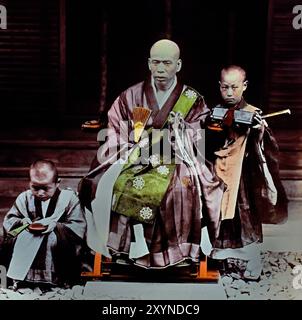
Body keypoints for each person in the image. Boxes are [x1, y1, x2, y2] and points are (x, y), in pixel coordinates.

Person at [79, 39, 224, 269]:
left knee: (180, 189)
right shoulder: (131, 96)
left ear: (178, 65)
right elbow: (115, 128)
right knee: (115, 184)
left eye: (167, 63)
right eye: (156, 62)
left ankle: (176, 255)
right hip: (135, 155)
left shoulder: (191, 99)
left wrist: (182, 130)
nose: (160, 69)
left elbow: (200, 130)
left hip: (177, 157)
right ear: (148, 63)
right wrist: (133, 148)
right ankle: (124, 252)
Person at [206, 65, 288, 280]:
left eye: (234, 87)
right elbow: (206, 141)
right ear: (219, 86)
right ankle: (218, 258)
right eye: (225, 88)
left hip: (242, 175)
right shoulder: (215, 112)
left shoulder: (252, 113)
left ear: (244, 86)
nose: (230, 93)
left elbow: (266, 150)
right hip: (217, 172)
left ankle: (251, 260)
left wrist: (259, 133)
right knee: (216, 215)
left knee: (243, 218)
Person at [1, 159, 87, 289]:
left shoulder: (69, 199)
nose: (40, 193)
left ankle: (56, 281)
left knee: (51, 238)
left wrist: (57, 226)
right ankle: (23, 281)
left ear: (57, 183)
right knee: (22, 237)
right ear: (29, 183)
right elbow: (10, 222)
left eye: (46, 188)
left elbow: (78, 226)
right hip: (27, 236)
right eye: (35, 187)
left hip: (59, 244)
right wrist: (22, 223)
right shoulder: (24, 198)